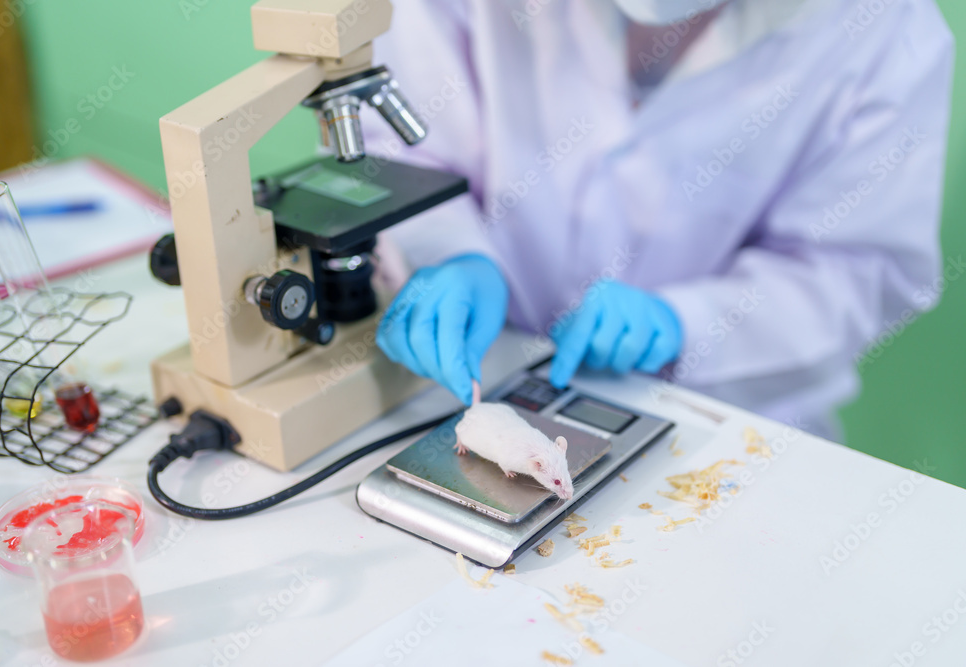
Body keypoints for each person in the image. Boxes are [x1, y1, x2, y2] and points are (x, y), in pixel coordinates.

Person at [366, 0, 953, 440]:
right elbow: (402, 147)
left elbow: (858, 271)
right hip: (480, 380)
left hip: (726, 424)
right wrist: (448, 252)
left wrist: (684, 325)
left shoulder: (883, 33)